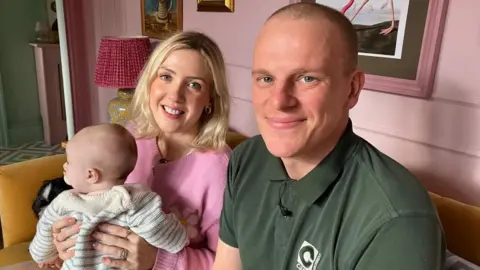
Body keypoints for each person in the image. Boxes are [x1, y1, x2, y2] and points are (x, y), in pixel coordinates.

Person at [213, 3, 446, 270]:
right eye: (266, 79)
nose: (279, 101)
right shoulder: (246, 159)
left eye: (307, 78)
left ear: (352, 89)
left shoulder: (397, 221)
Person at [50, 31, 231, 270]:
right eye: (166, 76)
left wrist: (157, 260)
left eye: (194, 84)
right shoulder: (133, 135)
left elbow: (232, 264)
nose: (175, 95)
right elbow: (89, 194)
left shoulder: (219, 168)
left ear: (210, 99)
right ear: (150, 82)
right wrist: (65, 240)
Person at [29, 123, 188, 269]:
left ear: (91, 175)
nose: (64, 166)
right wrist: (180, 239)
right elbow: (161, 230)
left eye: (69, 162)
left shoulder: (64, 202)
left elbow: (44, 231)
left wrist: (43, 256)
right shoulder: (133, 201)